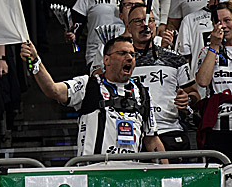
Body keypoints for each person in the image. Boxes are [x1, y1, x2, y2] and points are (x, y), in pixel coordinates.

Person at [21, 36, 164, 156]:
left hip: (129, 175)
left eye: (132, 55)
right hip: (92, 174)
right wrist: (34, 61)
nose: (129, 58)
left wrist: (169, 175)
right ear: (106, 60)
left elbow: (152, 140)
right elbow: (53, 90)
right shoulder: (88, 85)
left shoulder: (142, 93)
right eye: (122, 53)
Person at [126, 3, 197, 152]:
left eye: (150, 20)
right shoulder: (121, 59)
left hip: (169, 131)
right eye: (139, 21)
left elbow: (194, 94)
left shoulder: (175, 59)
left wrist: (187, 99)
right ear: (128, 27)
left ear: (156, 26)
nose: (145, 25)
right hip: (131, 133)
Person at [194, 2, 232, 163]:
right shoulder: (206, 52)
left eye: (227, 20)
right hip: (217, 128)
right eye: (218, 22)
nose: (223, 26)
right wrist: (214, 46)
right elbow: (202, 81)